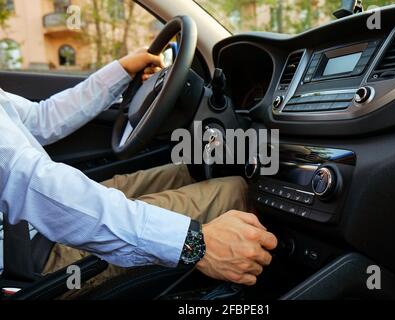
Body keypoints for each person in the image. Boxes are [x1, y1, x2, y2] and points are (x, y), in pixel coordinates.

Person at [0, 48, 277, 297]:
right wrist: (193, 243)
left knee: (189, 171)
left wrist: (120, 70)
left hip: (30, 226)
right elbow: (30, 183)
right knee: (232, 190)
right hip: (27, 259)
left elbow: (40, 118)